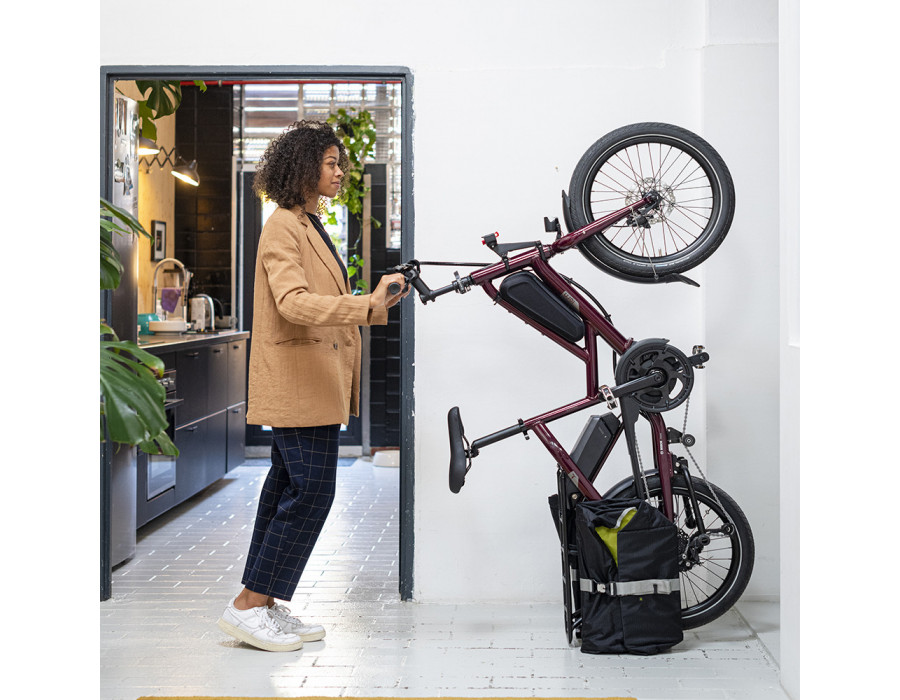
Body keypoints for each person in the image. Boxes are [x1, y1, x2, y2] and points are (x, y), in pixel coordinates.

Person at [217, 120, 408, 652]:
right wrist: (368, 304)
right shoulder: (282, 224)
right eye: (330, 162)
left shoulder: (308, 223)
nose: (339, 170)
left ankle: (263, 603)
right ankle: (250, 605)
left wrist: (376, 299)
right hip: (299, 383)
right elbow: (293, 303)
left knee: (285, 487)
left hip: (315, 381)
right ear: (303, 167)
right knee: (312, 492)